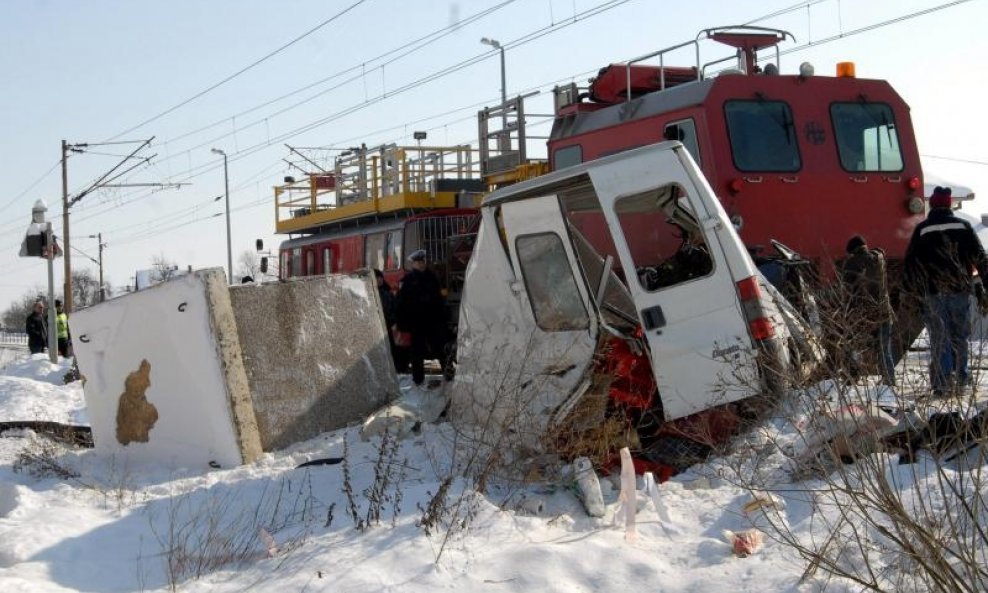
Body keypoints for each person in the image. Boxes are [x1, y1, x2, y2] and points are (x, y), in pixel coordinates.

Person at [904, 186, 988, 396]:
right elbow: (980, 257)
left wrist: (910, 294)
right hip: (959, 291)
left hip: (932, 294)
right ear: (949, 204)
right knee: (959, 337)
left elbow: (910, 265)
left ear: (931, 204)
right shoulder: (964, 226)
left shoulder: (922, 229)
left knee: (940, 338)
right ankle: (961, 379)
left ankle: (942, 384)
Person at [841, 234, 895, 385]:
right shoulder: (879, 259)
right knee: (885, 351)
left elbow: (847, 290)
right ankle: (889, 381)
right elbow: (879, 251)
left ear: (852, 251)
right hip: (884, 312)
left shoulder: (851, 263)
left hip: (863, 315)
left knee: (854, 348)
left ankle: (852, 378)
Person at [395, 249, 448, 387]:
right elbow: (401, 303)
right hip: (416, 322)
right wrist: (402, 323)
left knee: (438, 349)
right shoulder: (408, 281)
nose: (421, 264)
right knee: (417, 352)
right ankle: (418, 379)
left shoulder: (432, 278)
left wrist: (441, 318)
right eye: (418, 262)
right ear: (413, 264)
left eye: (422, 261)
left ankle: (448, 375)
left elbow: (439, 301)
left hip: (432, 321)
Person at [374, 269, 403, 371]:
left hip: (386, 326)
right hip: (378, 326)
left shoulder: (386, 293)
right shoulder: (376, 293)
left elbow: (393, 309)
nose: (380, 280)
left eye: (381, 277)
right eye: (377, 278)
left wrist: (392, 321)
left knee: (390, 348)